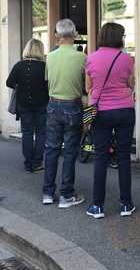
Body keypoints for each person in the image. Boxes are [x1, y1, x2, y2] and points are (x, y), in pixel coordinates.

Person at [85, 22, 135, 219]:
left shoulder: (90, 59)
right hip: (125, 110)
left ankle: (97, 206)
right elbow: (131, 84)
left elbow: (88, 87)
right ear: (119, 38)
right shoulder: (127, 59)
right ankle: (126, 204)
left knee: (100, 157)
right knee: (123, 157)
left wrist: (87, 117)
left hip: (100, 111)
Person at [42, 19, 86, 208]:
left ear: (57, 36)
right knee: (70, 151)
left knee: (51, 149)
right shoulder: (82, 57)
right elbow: (87, 86)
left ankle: (48, 193)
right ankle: (67, 195)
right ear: (75, 36)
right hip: (73, 106)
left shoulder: (50, 57)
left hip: (53, 105)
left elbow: (47, 80)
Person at [6, 39, 49, 173]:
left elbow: (9, 82)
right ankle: (37, 163)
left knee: (27, 133)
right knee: (41, 133)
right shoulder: (45, 66)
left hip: (24, 104)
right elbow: (50, 85)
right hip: (42, 104)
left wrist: (21, 86)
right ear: (40, 50)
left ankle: (28, 163)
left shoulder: (19, 65)